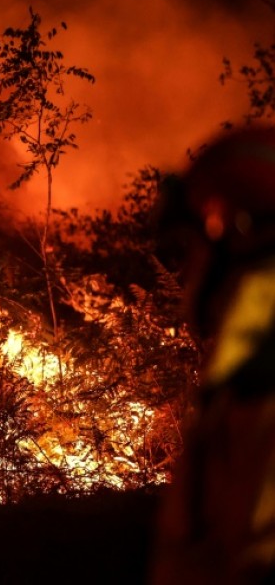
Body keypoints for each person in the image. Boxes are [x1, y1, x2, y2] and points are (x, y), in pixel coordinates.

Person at [152, 126, 275, 583]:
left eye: (196, 244)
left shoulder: (261, 387)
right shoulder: (246, 373)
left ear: (241, 235)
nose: (187, 270)